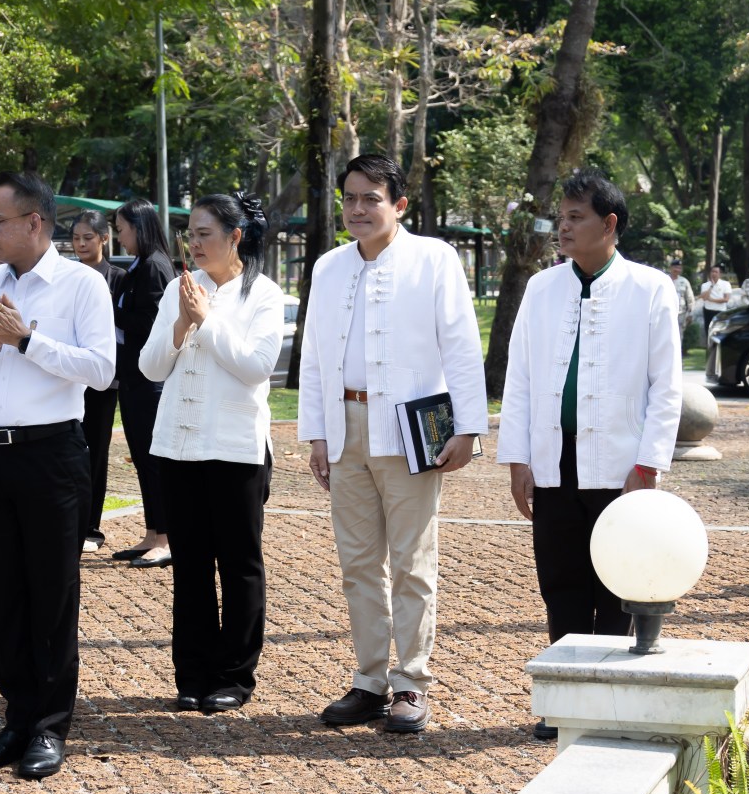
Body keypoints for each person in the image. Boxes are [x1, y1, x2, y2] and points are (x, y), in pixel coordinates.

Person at [0, 171, 115, 780]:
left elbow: (99, 368)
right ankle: (15, 716)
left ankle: (47, 726)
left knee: (50, 593)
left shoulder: (81, 285)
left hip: (51, 455)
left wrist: (26, 339)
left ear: (34, 222)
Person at [298, 153, 487, 734]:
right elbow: (314, 356)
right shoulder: (329, 267)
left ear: (398, 205)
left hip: (412, 430)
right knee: (358, 564)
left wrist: (469, 428)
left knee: (411, 560)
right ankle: (369, 680)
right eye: (350, 198)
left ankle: (412, 682)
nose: (357, 209)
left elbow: (460, 344)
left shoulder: (434, 259)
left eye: (370, 198)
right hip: (346, 424)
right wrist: (317, 435)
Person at [497, 170, 683, 741]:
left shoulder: (650, 288)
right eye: (562, 218)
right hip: (555, 461)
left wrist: (648, 464)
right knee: (561, 579)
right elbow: (522, 378)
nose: (564, 228)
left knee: (616, 583)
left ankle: (606, 698)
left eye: (577, 218)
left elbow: (665, 385)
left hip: (622, 464)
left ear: (610, 224)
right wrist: (518, 459)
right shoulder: (542, 288)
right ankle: (565, 696)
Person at [140, 193, 282, 715]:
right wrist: (180, 324)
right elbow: (151, 368)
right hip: (178, 446)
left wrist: (205, 321)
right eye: (190, 234)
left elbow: (255, 366)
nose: (194, 243)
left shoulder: (263, 295)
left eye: (205, 233)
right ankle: (193, 673)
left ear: (235, 237)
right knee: (191, 565)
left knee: (240, 565)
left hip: (236, 448)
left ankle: (235, 676)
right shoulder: (181, 289)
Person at [111, 198, 176, 568]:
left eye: (122, 229)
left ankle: (166, 538)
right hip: (134, 378)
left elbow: (153, 324)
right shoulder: (140, 266)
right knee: (141, 459)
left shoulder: (154, 267)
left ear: (140, 227)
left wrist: (111, 311)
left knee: (154, 461)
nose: (120, 237)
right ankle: (154, 532)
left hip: (150, 381)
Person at [72, 210, 127, 553]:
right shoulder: (66, 275)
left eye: (87, 238)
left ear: (104, 238)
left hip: (104, 380)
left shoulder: (118, 278)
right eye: (76, 238)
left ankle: (92, 524)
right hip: (68, 374)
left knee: (96, 449)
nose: (80, 244)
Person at [699, 264, 731, 333]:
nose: (714, 274)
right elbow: (704, 298)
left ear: (720, 274)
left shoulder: (726, 284)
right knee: (708, 330)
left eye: (716, 272)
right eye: (712, 272)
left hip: (720, 311)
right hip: (708, 311)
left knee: (720, 330)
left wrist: (712, 300)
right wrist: (711, 286)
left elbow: (726, 299)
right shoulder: (705, 285)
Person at [668, 259, 694, 343]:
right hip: (666, 311)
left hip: (680, 312)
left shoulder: (684, 281)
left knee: (679, 335)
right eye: (675, 267)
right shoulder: (665, 279)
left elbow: (690, 298)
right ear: (671, 268)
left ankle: (678, 355)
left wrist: (690, 313)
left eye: (679, 268)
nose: (677, 270)